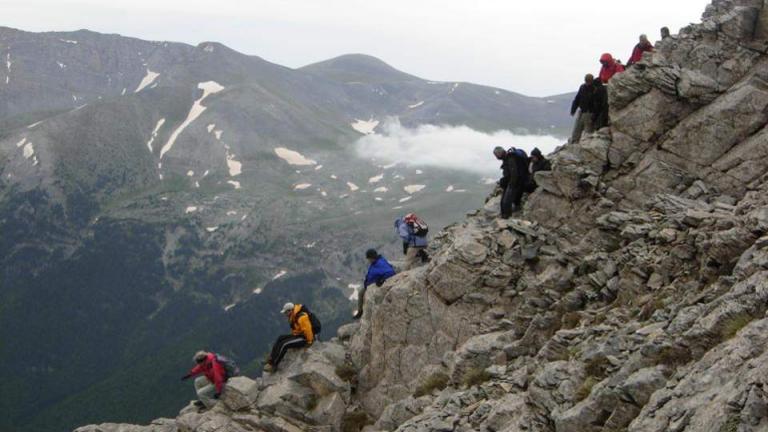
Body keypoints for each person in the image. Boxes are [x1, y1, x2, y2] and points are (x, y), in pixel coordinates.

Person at [263, 303, 314, 372]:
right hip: (299, 334)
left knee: (284, 344)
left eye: (285, 312)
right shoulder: (294, 316)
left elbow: (308, 330)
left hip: (305, 338)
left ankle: (273, 365)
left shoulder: (302, 317)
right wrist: (293, 336)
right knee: (280, 338)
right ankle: (271, 359)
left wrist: (309, 342)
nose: (285, 314)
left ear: (290, 311)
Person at [354, 249, 396, 319]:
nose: (368, 260)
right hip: (370, 284)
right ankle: (360, 311)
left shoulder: (380, 263)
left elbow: (391, 272)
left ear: (372, 257)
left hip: (374, 285)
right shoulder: (376, 262)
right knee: (361, 293)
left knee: (361, 293)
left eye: (369, 258)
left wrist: (382, 280)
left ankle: (360, 312)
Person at [494, 146, 528, 218]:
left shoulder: (510, 158)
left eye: (496, 155)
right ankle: (507, 214)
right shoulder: (508, 157)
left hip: (514, 182)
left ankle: (506, 216)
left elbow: (513, 173)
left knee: (506, 201)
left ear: (499, 154)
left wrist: (511, 184)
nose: (496, 157)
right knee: (507, 200)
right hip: (516, 181)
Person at [570, 74, 597, 144]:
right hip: (581, 110)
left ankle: (587, 143)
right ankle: (574, 142)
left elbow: (597, 102)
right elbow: (577, 99)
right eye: (586, 81)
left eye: (588, 81)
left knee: (588, 130)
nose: (587, 82)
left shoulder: (595, 88)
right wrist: (573, 110)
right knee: (577, 127)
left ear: (591, 80)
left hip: (589, 112)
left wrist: (595, 114)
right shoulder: (582, 87)